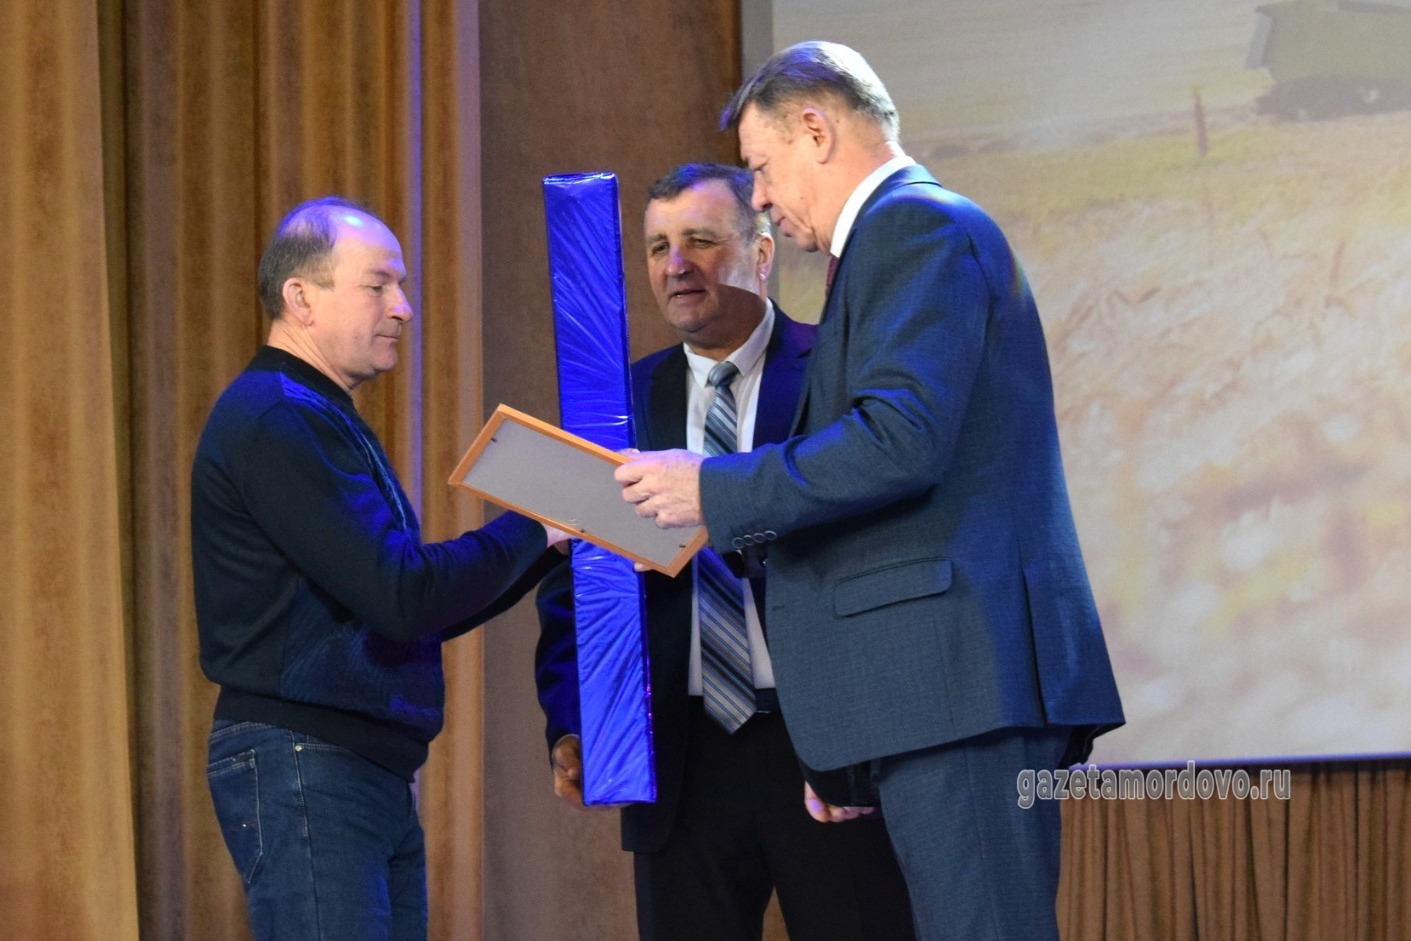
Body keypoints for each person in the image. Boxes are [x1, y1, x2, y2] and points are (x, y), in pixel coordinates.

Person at [614, 44, 1126, 941]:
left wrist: (711, 487)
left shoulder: (911, 226)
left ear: (815, 131)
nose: (760, 195)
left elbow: (899, 439)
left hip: (956, 688)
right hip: (933, 693)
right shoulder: (898, 236)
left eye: (761, 167)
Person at [536, 164, 914, 941]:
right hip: (679, 759)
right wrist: (574, 723)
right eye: (658, 247)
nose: (675, 265)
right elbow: (569, 585)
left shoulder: (837, 373)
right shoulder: (616, 405)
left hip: (822, 744)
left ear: (762, 252)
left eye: (700, 241)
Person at [190, 196, 567, 941]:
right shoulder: (279, 416)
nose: (404, 307)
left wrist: (550, 540)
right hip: (309, 764)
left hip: (351, 768)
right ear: (301, 298)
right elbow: (402, 594)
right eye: (378, 284)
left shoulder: (309, 412)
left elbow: (407, 609)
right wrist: (540, 523)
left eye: (401, 286)